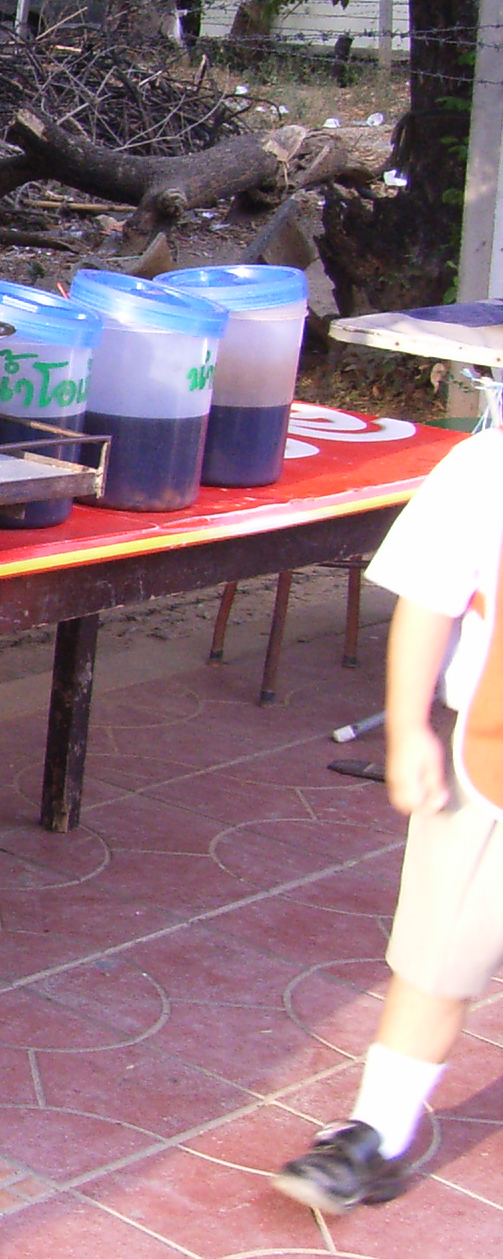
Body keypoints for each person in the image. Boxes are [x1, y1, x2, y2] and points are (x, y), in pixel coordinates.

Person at [273, 423, 503, 1213]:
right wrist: (407, 727)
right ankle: (377, 1128)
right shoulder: (487, 466)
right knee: (438, 957)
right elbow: (430, 598)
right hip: (493, 756)